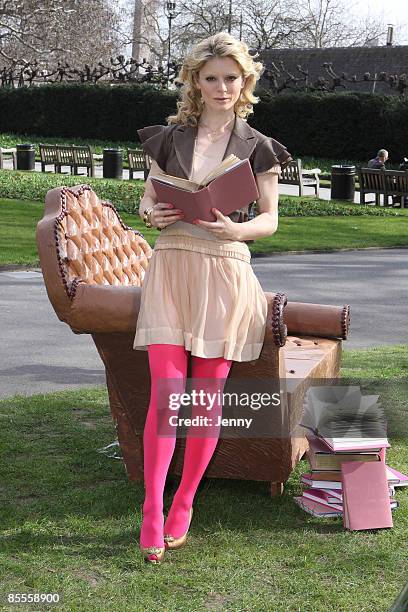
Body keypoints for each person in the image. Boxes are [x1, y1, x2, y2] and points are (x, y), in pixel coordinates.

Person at [134, 31, 292, 564]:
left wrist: (239, 232)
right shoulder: (167, 138)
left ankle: (184, 503)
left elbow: (269, 219)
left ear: (244, 82)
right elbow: (148, 199)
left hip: (225, 272)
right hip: (172, 267)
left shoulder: (260, 147)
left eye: (232, 77)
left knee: (203, 402)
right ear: (195, 83)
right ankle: (152, 509)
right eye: (211, 78)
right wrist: (149, 214)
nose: (222, 87)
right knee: (167, 397)